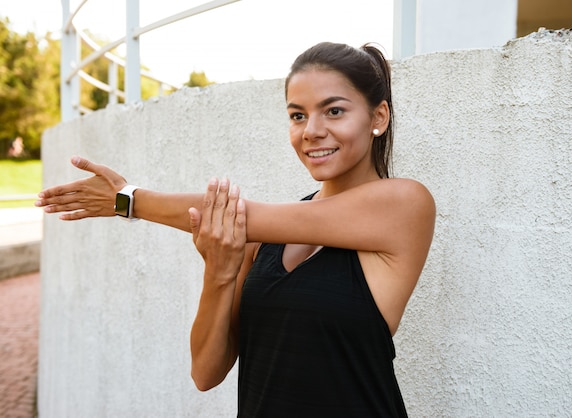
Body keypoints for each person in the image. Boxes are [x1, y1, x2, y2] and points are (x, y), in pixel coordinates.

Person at [37, 42, 436, 417]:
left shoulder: (403, 204)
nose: (311, 130)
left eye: (334, 111)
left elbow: (239, 217)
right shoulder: (261, 237)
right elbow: (205, 374)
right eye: (298, 115)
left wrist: (129, 199)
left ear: (378, 117)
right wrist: (220, 272)